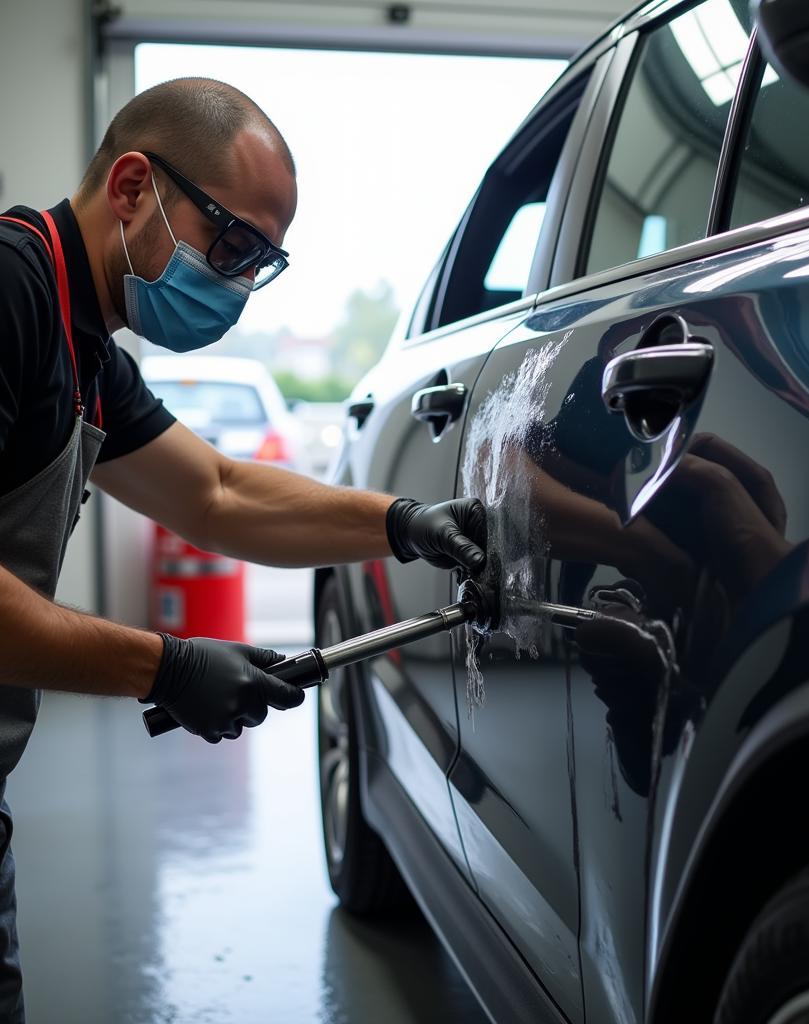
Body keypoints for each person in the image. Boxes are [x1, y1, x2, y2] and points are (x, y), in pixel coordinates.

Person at [0, 77, 486, 1019]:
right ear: (134, 185)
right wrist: (167, 665)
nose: (234, 282)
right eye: (229, 244)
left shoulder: (87, 343)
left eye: (261, 262)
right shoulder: (12, 290)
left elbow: (219, 495)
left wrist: (397, 522)